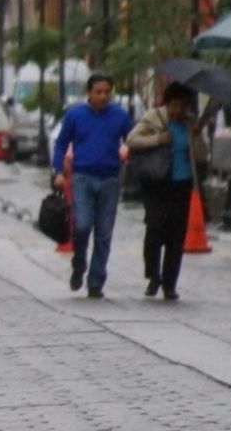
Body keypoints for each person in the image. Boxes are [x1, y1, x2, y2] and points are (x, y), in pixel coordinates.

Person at [51, 73, 133, 299]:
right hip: (82, 178)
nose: (103, 96)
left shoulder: (119, 116)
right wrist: (57, 171)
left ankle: (96, 281)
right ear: (89, 92)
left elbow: (132, 138)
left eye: (107, 92)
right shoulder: (75, 115)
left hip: (110, 179)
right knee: (82, 225)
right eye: (98, 92)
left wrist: (129, 151)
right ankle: (79, 263)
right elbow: (61, 143)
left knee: (104, 233)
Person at [127, 82, 208, 301]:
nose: (178, 110)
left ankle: (170, 284)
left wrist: (198, 135)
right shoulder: (155, 118)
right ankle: (154, 275)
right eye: (174, 105)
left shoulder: (190, 124)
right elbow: (132, 140)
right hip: (157, 183)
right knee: (154, 230)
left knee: (176, 235)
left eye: (182, 106)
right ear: (167, 103)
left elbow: (201, 155)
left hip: (181, 184)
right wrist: (157, 139)